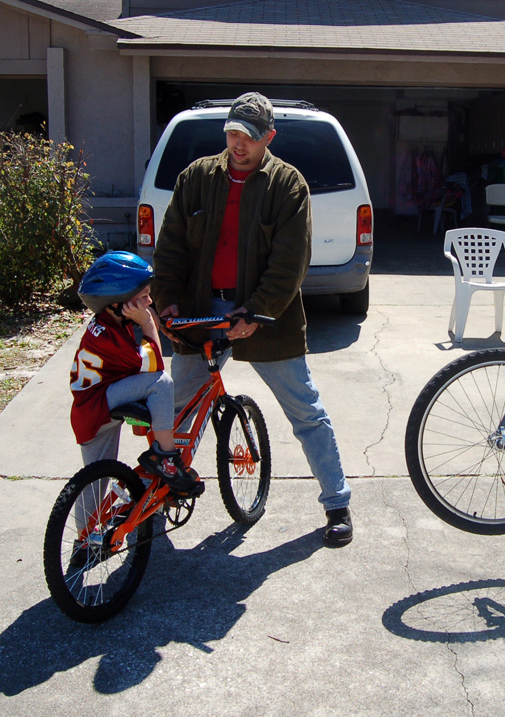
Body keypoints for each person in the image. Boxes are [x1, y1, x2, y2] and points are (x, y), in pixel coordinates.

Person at [151, 92, 355, 547]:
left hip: (266, 316)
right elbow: (170, 249)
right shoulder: (196, 177)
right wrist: (166, 300)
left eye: (249, 136)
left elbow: (290, 261)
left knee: (305, 410)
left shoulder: (288, 184)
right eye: (232, 133)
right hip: (199, 313)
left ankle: (337, 502)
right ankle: (159, 496)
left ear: (269, 137)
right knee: (179, 412)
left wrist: (257, 313)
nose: (238, 143)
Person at [69, 251, 198, 495]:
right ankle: (166, 457)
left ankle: (84, 533)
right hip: (98, 406)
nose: (150, 302)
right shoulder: (111, 339)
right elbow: (156, 366)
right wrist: (149, 324)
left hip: (91, 406)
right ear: (119, 301)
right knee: (161, 382)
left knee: (93, 485)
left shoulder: (107, 325)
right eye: (144, 297)